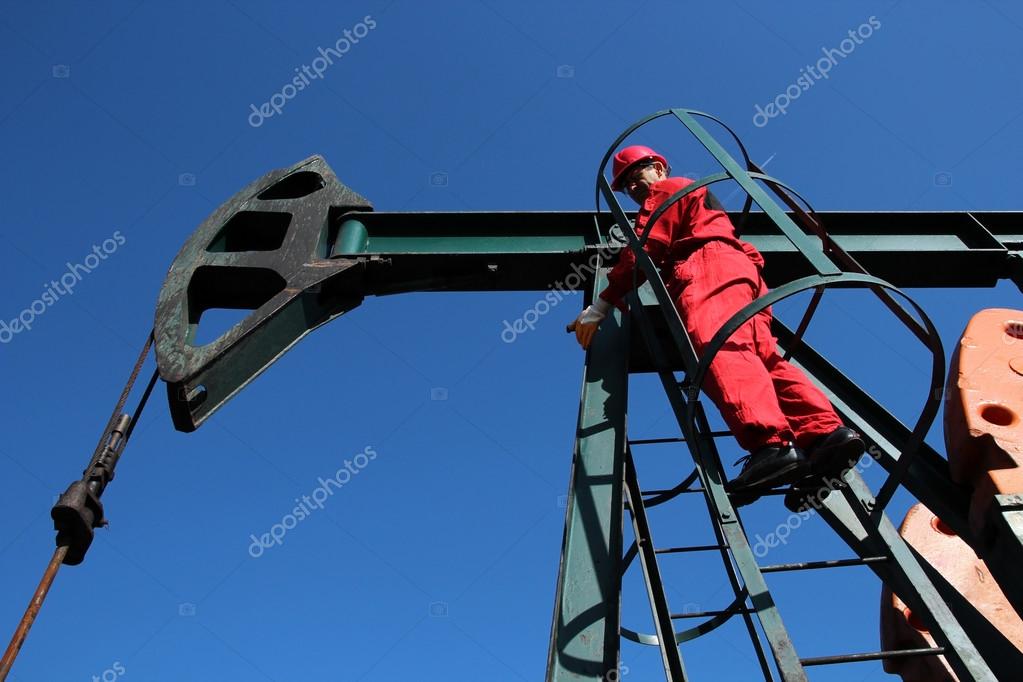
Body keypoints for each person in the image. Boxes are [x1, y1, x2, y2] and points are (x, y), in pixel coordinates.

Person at [568, 145, 864, 498]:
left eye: (637, 174)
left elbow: (646, 248)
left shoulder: (667, 191)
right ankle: (825, 437)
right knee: (763, 358)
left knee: (718, 345)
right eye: (626, 185)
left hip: (706, 265)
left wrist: (602, 303)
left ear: (659, 169)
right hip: (739, 270)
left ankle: (770, 445)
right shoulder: (697, 198)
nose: (633, 187)